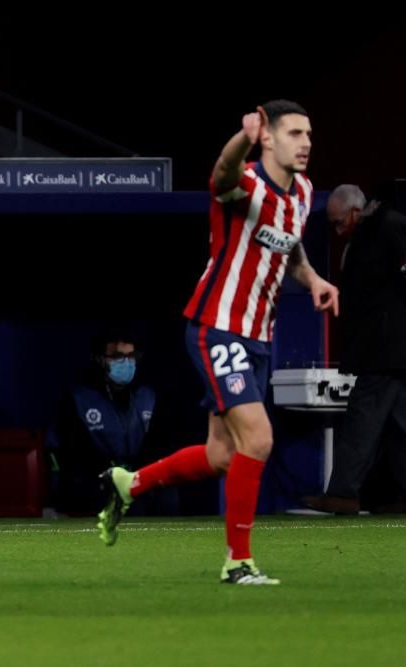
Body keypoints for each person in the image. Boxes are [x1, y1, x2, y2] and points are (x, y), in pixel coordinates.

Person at [97, 100, 339, 585]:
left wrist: (311, 279)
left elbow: (290, 247)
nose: (306, 142)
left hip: (259, 338)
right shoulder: (245, 183)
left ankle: (130, 482)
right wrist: (239, 138)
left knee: (222, 456)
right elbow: (220, 174)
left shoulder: (304, 192)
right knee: (260, 438)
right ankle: (238, 562)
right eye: (294, 133)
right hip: (217, 327)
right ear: (267, 138)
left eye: (309, 133)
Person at [301, 185, 406, 515]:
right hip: (383, 348)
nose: (336, 231)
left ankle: (342, 493)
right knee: (402, 426)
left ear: (353, 212)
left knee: (360, 420)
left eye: (338, 223)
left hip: (386, 349)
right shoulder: (367, 235)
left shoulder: (391, 227)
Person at [46, 329, 176, 516]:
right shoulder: (78, 398)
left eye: (130, 356)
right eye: (116, 356)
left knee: (166, 496)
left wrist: (137, 476)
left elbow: (161, 445)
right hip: (96, 482)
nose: (126, 362)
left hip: (139, 479)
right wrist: (109, 475)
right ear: (99, 359)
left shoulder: (149, 396)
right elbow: (73, 453)